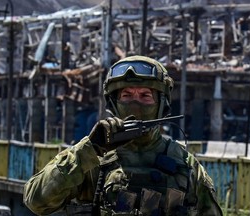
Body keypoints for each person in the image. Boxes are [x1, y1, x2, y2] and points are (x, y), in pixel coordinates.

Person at [23, 55, 223, 216]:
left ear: (161, 103)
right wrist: (90, 149)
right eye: (126, 95)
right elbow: (36, 202)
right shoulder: (90, 158)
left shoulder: (185, 165)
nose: (135, 103)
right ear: (114, 103)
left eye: (145, 96)